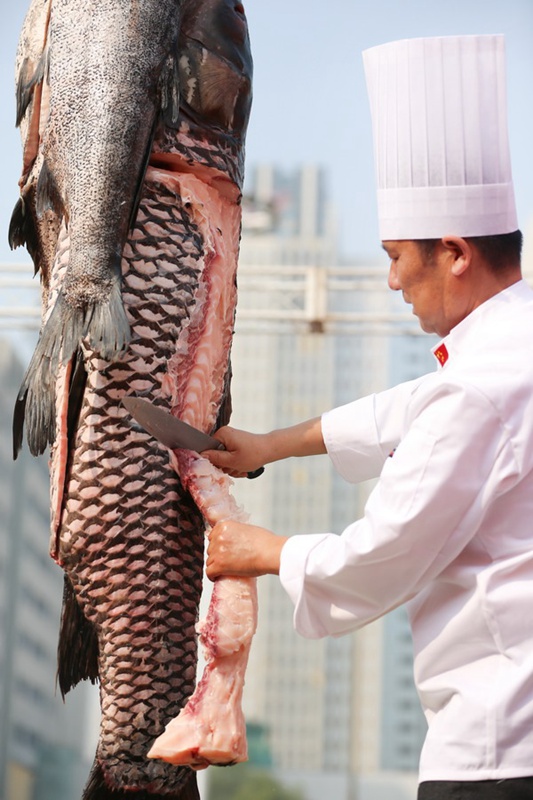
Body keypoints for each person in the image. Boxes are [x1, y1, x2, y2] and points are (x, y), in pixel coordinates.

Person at [205, 35, 533, 799]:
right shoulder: (510, 350)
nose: (390, 280)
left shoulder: (482, 384)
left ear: (452, 252)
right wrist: (269, 446)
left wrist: (262, 550)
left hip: (497, 749)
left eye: (395, 255)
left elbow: (383, 554)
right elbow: (404, 410)